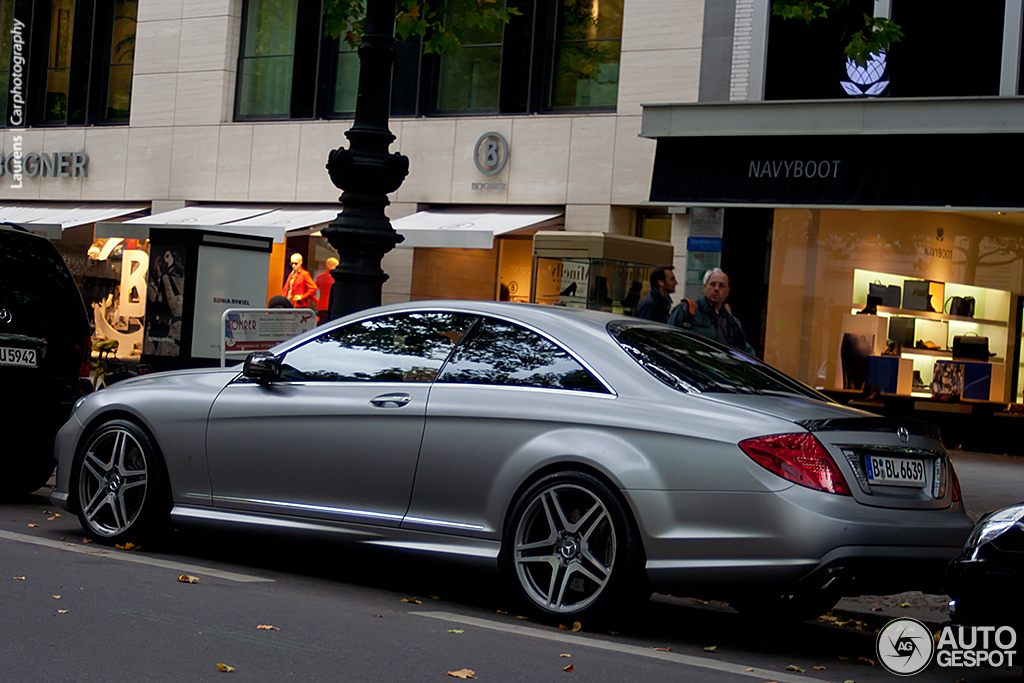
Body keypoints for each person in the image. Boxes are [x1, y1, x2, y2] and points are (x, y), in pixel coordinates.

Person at [669, 267, 755, 354]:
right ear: (705, 287)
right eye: (713, 284)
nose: (716, 289)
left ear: (728, 291)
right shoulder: (686, 310)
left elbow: (744, 353)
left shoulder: (733, 324)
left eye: (722, 286)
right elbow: (667, 341)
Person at [315, 257, 339, 323]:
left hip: (321, 305)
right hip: (332, 305)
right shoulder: (335, 278)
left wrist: (315, 301)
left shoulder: (319, 278)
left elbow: (313, 290)